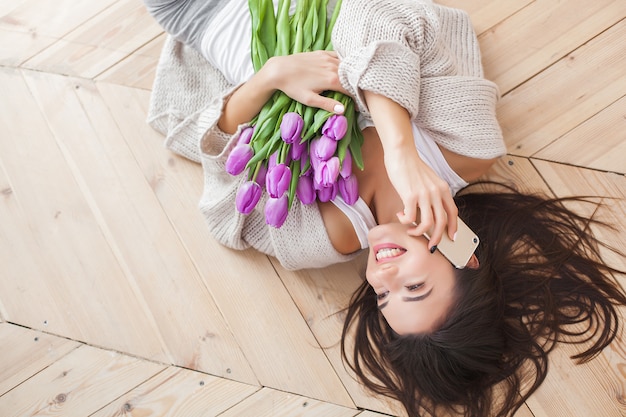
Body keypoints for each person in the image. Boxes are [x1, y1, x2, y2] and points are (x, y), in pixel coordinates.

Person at [143, 0, 626, 416]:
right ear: (465, 257)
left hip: (207, 13)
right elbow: (379, 16)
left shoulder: (319, 240)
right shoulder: (466, 147)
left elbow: (220, 174)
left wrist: (269, 79)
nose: (381, 278)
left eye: (383, 298)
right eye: (413, 286)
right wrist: (402, 152)